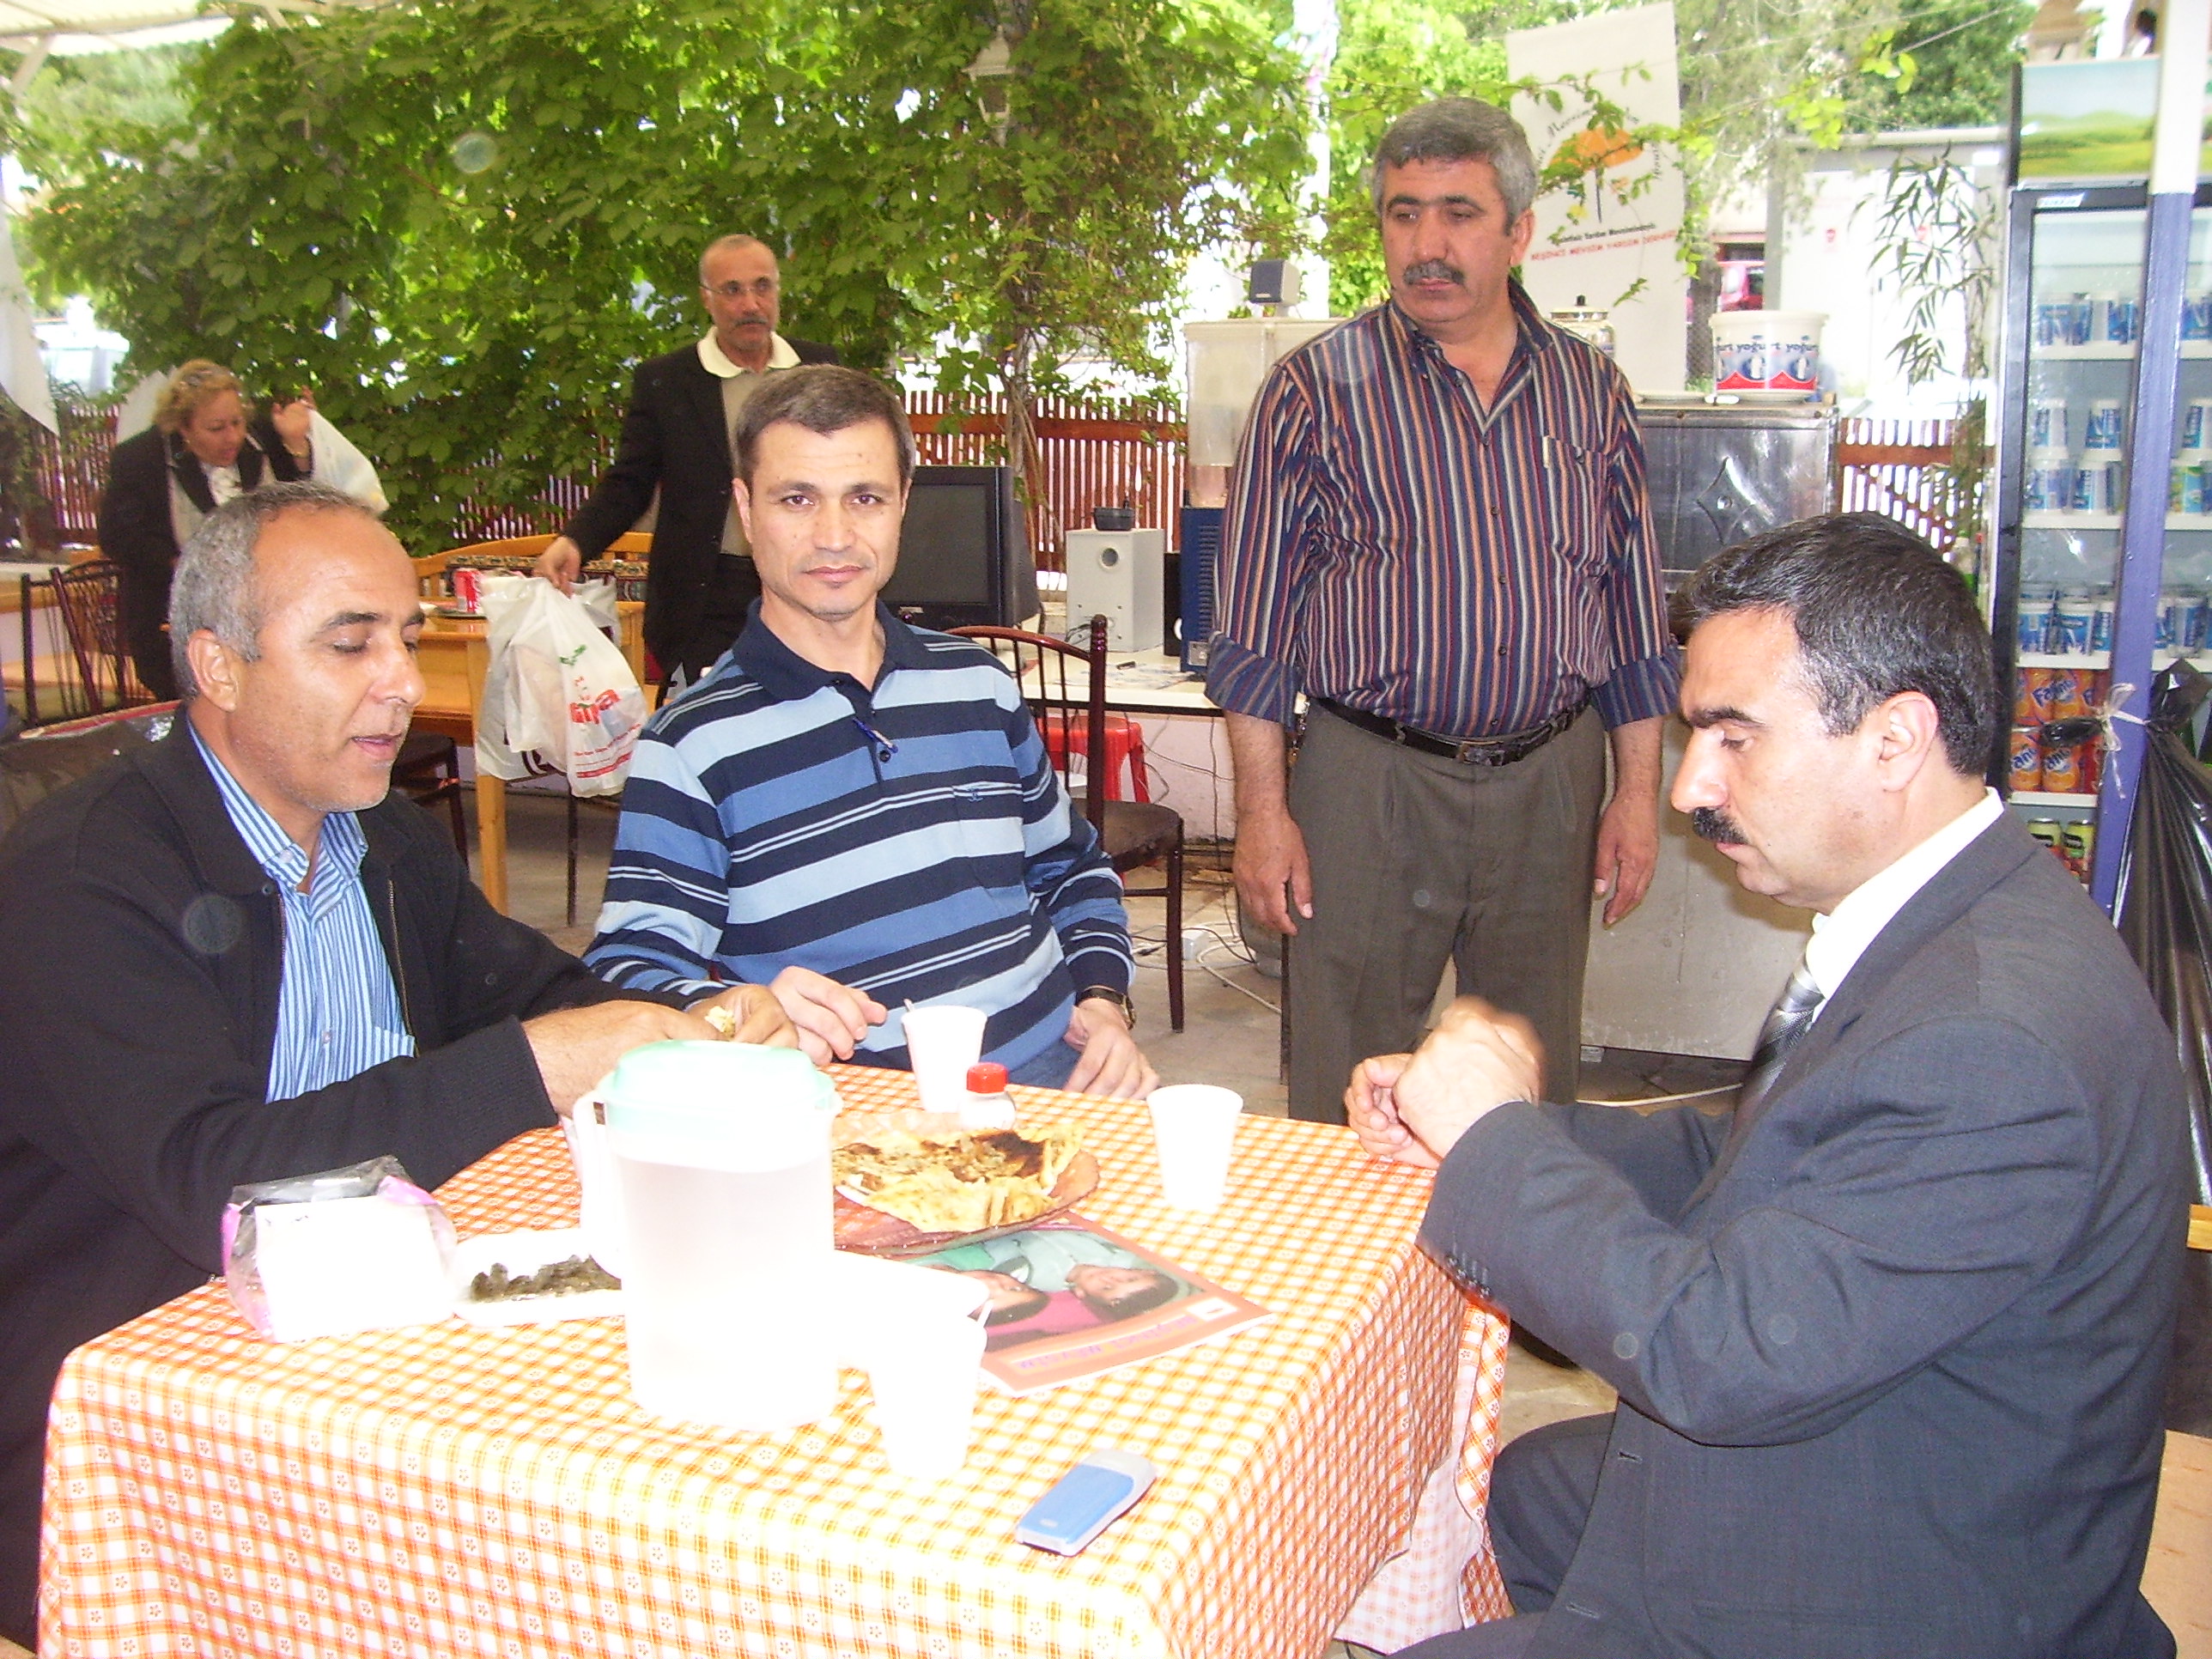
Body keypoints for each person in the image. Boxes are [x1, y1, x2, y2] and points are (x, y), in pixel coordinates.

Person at [1352, 514, 2185, 1659]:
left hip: (1916, 1583)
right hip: (1891, 1441)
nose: (1690, 787)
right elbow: (1768, 1158)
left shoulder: (1993, 1040)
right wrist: (1498, 1134)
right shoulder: (1956, 915)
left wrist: (1499, 1142)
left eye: (1733, 738)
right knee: (1506, 1489)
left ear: (1894, 740)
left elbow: (1717, 1356)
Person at [0, 483, 792, 1649]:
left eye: (407, 639)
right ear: (218, 667)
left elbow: (534, 993)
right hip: (132, 1392)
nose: (405, 683)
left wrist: (687, 1019)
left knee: (698, 1461)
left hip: (371, 1337)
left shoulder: (375, 836)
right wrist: (540, 1065)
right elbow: (213, 1180)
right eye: (350, 643)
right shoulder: (84, 878)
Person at [1206, 97, 1678, 1123]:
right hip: (1367, 782)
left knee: (1525, 1075)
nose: (1426, 243)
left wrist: (1634, 795)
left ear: (1517, 230)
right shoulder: (1311, 393)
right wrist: (1261, 815)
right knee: (1345, 1080)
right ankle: (1343, 1235)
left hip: (1550, 782)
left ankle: (1508, 1233)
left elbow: (1631, 618)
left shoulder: (1590, 393)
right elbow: (1251, 636)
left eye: (1458, 213)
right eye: (1402, 212)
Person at [586, 364, 1158, 1099]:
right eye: (797, 499)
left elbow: (1071, 870)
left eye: (865, 498)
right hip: (852, 1114)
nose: (834, 536)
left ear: (902, 506)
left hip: (1063, 1079)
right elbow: (627, 967)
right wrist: (731, 1009)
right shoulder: (689, 745)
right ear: (747, 509)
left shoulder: (979, 685)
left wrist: (1104, 1003)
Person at [534, 234, 842, 685]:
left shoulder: (820, 370)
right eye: (732, 290)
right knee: (714, 716)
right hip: (707, 595)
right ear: (707, 299)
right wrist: (575, 542)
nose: (750, 304)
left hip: (806, 579)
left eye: (762, 286)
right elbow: (630, 483)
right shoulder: (668, 382)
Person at [99, 361, 318, 701]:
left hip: (266, 619)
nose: (232, 437)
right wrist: (184, 566)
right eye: (216, 428)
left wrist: (297, 444)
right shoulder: (141, 459)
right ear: (183, 426)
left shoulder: (262, 440)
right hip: (173, 624)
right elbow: (118, 537)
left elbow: (304, 504)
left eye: (237, 422)